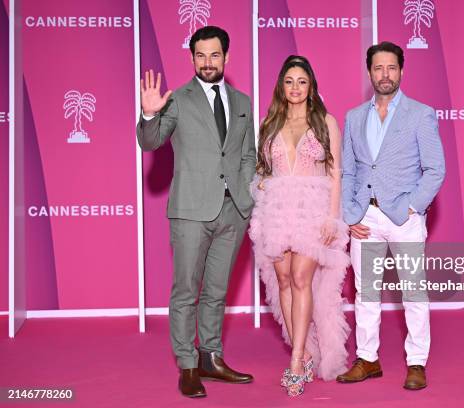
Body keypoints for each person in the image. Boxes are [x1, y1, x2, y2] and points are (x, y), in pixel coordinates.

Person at [137, 26, 256, 398]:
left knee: (216, 291)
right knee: (186, 290)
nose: (207, 62)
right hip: (190, 211)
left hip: (232, 211)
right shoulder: (177, 100)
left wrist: (246, 199)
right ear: (192, 59)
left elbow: (247, 153)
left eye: (214, 55)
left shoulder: (243, 102)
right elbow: (150, 141)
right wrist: (148, 114)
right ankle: (187, 364)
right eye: (200, 56)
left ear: (226, 57)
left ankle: (211, 356)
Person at [336, 41, 445, 390]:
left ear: (401, 70)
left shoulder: (420, 113)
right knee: (366, 292)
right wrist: (350, 213)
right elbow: (348, 171)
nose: (385, 74)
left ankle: (416, 362)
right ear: (370, 72)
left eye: (391, 68)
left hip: (404, 218)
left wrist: (413, 207)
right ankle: (367, 358)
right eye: (378, 68)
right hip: (365, 218)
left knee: (413, 292)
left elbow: (435, 169)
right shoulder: (354, 117)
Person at [249, 55, 350, 397]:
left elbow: (336, 174)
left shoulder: (326, 122)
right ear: (281, 85)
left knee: (301, 277)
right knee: (282, 280)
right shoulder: (269, 122)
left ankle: (295, 361)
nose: (295, 88)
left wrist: (332, 218)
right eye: (289, 81)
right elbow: (263, 170)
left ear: (311, 86)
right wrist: (262, 191)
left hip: (312, 209)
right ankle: (304, 351)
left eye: (302, 81)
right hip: (277, 209)